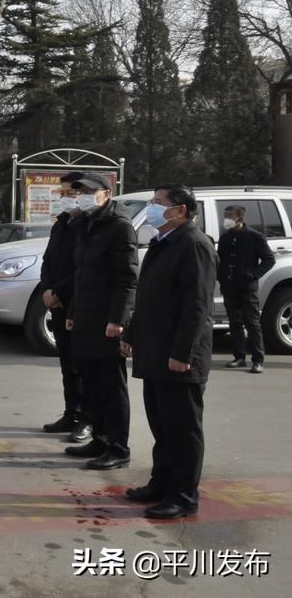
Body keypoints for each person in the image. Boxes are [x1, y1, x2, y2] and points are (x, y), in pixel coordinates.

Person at [121, 184, 216, 519]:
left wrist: (182, 353)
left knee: (182, 429)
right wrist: (132, 333)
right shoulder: (163, 243)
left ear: (181, 210)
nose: (153, 207)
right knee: (162, 426)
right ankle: (161, 484)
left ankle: (183, 496)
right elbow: (148, 298)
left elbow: (197, 306)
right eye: (153, 201)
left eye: (159, 203)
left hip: (179, 357)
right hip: (156, 350)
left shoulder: (193, 244)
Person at [65, 173, 138, 471]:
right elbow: (82, 276)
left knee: (112, 385)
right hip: (85, 316)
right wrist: (71, 311)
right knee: (92, 384)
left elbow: (127, 278)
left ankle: (118, 447)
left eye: (87, 191)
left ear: (106, 194)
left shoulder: (119, 227)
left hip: (106, 320)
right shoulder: (86, 224)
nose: (81, 195)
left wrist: (118, 319)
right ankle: (100, 437)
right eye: (78, 191)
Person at [38, 172, 90, 442]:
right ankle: (71, 413)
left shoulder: (88, 226)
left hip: (77, 303)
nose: (63, 198)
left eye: (69, 194)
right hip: (56, 302)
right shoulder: (61, 223)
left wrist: (59, 291)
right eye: (62, 193)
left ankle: (86, 418)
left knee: (82, 364)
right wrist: (48, 289)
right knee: (67, 363)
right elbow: (48, 260)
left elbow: (84, 268)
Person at [218, 205, 275, 374]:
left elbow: (268, 260)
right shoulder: (225, 238)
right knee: (234, 323)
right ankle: (239, 357)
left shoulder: (254, 237)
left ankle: (257, 360)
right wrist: (220, 277)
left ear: (240, 219)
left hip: (247, 287)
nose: (226, 219)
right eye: (225, 215)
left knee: (252, 323)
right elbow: (220, 260)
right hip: (229, 286)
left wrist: (253, 274)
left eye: (230, 216)